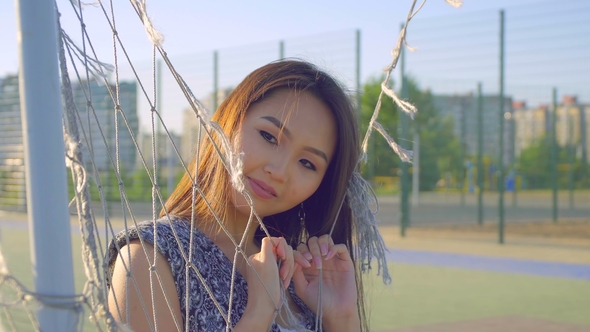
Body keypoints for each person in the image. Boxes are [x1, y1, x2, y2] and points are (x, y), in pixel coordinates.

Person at [107, 60, 370, 331]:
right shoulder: (151, 257)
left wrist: (341, 318)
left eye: (307, 163)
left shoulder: (300, 275)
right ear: (229, 122)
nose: (279, 171)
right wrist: (258, 312)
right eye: (269, 137)